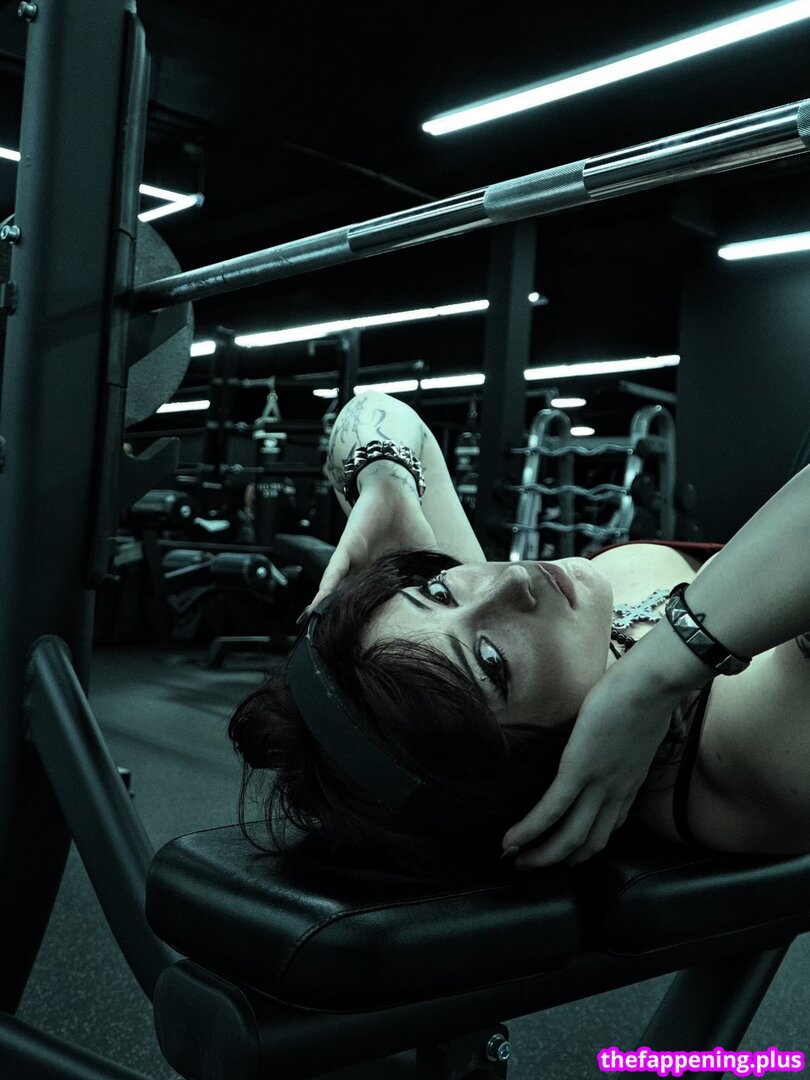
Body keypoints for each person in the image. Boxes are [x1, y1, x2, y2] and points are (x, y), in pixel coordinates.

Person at [228, 390, 810, 878]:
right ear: (531, 775)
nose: (510, 579)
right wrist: (653, 678)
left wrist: (388, 485)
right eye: (491, 662)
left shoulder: (532, 642)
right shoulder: (759, 747)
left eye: (437, 592)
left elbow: (376, 409)